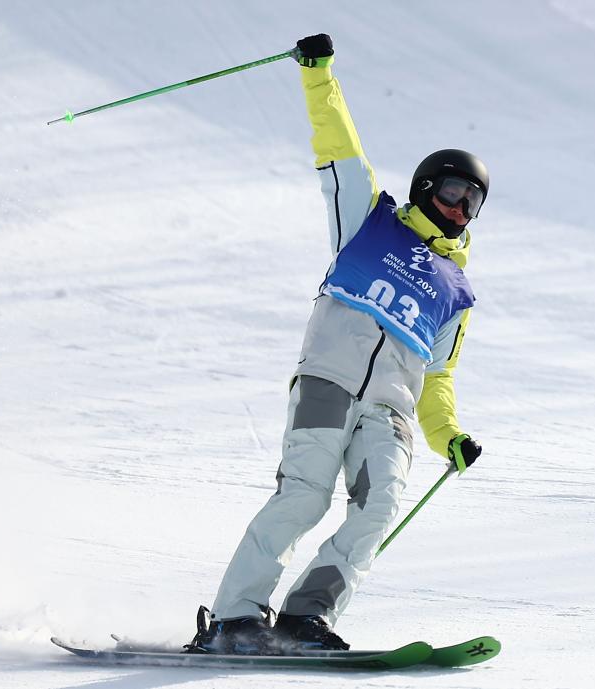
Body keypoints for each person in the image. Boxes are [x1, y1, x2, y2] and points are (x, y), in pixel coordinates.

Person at [185, 34, 487, 655]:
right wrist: (318, 75)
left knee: (379, 508)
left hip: (391, 412)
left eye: (474, 201)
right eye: (454, 192)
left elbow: (437, 378)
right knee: (304, 495)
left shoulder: (456, 293)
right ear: (426, 187)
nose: (461, 208)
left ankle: (305, 617)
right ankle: (235, 618)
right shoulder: (369, 223)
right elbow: (340, 151)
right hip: (329, 382)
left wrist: (448, 435)